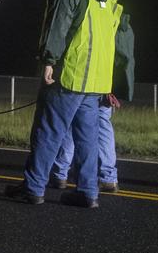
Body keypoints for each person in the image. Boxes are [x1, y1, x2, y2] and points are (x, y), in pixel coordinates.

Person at [5, 0, 123, 208]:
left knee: (48, 133)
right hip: (97, 81)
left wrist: (49, 60)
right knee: (87, 140)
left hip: (68, 76)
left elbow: (57, 26)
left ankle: (34, 188)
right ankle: (88, 192)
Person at [50, 11, 135, 192]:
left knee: (72, 125)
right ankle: (108, 177)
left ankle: (60, 173)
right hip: (108, 82)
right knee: (104, 127)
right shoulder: (123, 24)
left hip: (90, 80)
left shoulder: (98, 18)